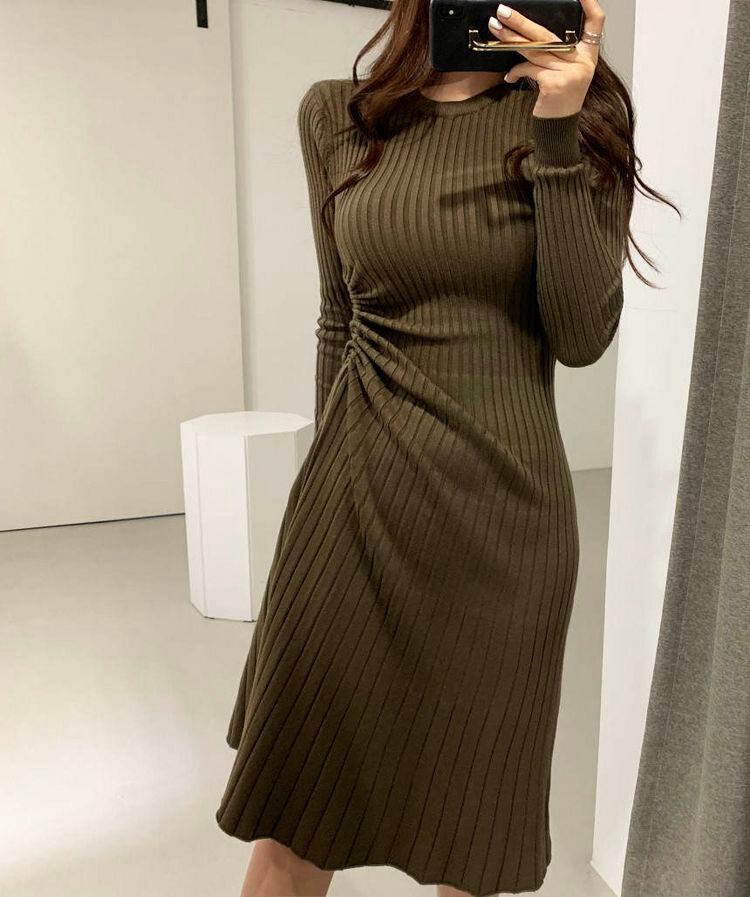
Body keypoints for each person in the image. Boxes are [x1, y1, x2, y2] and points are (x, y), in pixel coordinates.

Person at [215, 1, 672, 895]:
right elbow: (338, 317)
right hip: (350, 509)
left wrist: (556, 130)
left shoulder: (584, 121)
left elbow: (581, 335)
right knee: (293, 819)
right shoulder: (337, 115)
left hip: (503, 525)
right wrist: (316, 498)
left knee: (470, 832)